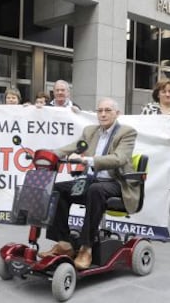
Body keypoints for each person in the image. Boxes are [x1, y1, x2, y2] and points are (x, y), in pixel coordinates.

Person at [38, 97, 138, 270]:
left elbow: (119, 158)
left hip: (115, 182)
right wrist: (50, 154)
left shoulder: (127, 133)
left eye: (108, 110)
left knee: (95, 190)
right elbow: (73, 146)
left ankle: (86, 247)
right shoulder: (90, 131)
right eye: (100, 110)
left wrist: (87, 160)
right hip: (91, 180)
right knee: (58, 189)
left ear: (117, 113)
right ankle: (64, 243)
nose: (103, 114)